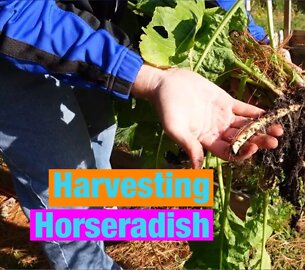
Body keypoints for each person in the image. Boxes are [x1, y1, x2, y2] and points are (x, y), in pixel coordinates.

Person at [0, 0, 282, 269]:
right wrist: (147, 77)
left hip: (81, 24)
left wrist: (254, 40)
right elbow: (13, 11)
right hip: (12, 43)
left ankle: (98, 230)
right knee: (60, 183)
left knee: (98, 144)